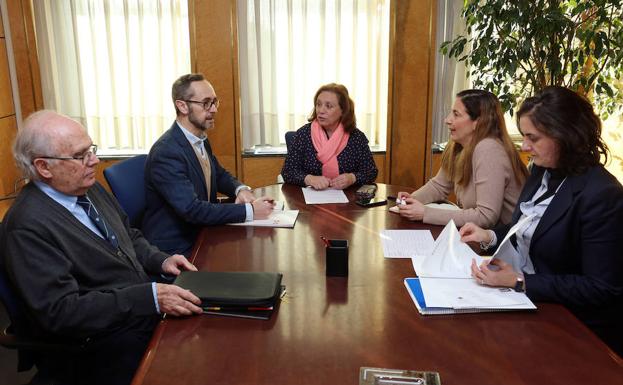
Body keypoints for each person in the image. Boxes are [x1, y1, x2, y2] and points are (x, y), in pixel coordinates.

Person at [2, 110, 203, 385]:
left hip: (138, 312)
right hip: (100, 343)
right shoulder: (26, 226)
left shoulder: (86, 187)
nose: (94, 161)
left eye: (91, 150)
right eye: (80, 155)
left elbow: (128, 234)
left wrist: (160, 260)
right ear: (43, 167)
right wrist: (149, 298)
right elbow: (62, 312)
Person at [460, 86, 623, 356]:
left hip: (574, 329)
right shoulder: (541, 171)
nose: (524, 147)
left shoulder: (602, 195)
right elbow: (529, 229)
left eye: (532, 138)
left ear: (566, 136)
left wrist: (519, 281)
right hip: (525, 303)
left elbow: (601, 288)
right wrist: (489, 237)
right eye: (524, 136)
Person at [142, 73, 274, 256]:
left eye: (214, 102)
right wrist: (249, 211)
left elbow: (217, 174)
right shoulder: (166, 152)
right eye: (206, 103)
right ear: (182, 106)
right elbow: (192, 210)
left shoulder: (200, 138)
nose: (213, 110)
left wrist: (240, 189)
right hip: (177, 248)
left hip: (202, 232)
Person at [396, 90, 528, 228]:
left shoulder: (489, 149)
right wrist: (411, 200)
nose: (447, 120)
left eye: (456, 114)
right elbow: (438, 186)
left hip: (504, 243)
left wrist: (425, 213)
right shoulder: (459, 146)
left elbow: (485, 217)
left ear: (477, 122)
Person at [281, 83, 378, 190]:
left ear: (343, 111)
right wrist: (308, 179)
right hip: (309, 199)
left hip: (347, 200)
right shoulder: (303, 134)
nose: (321, 110)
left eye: (328, 106)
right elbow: (288, 171)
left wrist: (352, 178)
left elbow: (371, 171)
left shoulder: (356, 137)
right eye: (318, 104)